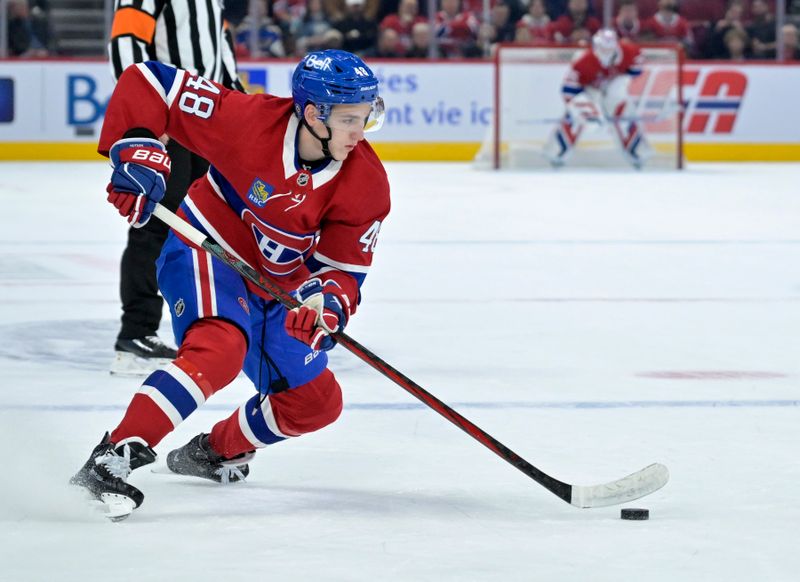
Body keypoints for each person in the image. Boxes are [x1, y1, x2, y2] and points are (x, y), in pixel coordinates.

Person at [70, 49, 390, 519]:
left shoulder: (366, 182)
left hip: (278, 288)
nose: (358, 133)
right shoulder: (247, 120)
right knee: (219, 350)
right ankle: (108, 462)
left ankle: (211, 451)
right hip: (209, 250)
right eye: (347, 119)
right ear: (310, 112)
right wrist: (137, 147)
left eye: (365, 118)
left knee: (316, 404)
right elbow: (148, 81)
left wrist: (325, 304)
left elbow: (342, 269)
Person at [107, 0, 244, 375]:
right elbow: (126, 42)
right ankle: (137, 333)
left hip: (208, 119)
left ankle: (209, 327)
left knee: (207, 224)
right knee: (155, 222)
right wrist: (145, 118)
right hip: (170, 118)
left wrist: (238, 107)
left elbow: (220, 47)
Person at [544, 29, 649, 168]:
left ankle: (638, 152)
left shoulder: (629, 51)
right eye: (601, 48)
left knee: (621, 105)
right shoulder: (582, 61)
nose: (604, 52)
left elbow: (636, 70)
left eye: (608, 49)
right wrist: (583, 110)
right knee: (576, 116)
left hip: (613, 83)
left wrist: (618, 83)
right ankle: (556, 151)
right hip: (588, 88)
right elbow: (568, 90)